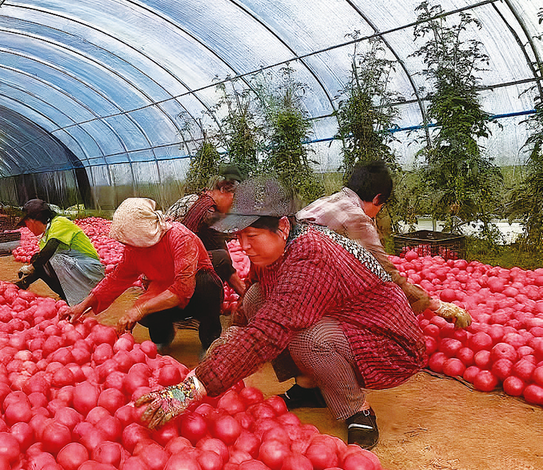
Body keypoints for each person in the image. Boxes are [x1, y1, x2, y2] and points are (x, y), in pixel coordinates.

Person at [136, 177, 425, 449]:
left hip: (385, 339)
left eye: (252, 235)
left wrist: (190, 388)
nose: (244, 246)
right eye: (239, 236)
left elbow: (269, 331)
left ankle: (357, 409)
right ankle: (310, 387)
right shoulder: (274, 250)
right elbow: (252, 295)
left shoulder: (310, 256)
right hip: (341, 318)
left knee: (307, 338)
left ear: (283, 227)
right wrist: (233, 332)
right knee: (256, 299)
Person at [296, 160, 471, 328]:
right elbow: (385, 272)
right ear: (377, 198)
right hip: (306, 297)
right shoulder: (357, 218)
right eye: (381, 205)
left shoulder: (324, 202)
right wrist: (436, 305)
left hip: (291, 282)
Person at [64, 198, 223, 352]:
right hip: (166, 293)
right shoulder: (134, 250)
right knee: (149, 316)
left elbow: (183, 289)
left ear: (140, 232)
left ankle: (210, 341)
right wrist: (82, 306)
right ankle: (163, 341)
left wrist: (140, 310)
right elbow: (115, 280)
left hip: (196, 293)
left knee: (207, 284)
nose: (124, 244)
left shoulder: (179, 237)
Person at [14, 199, 105, 306]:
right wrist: (25, 282)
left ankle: (81, 297)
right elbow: (41, 265)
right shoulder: (47, 234)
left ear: (32, 220)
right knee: (38, 259)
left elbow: (49, 251)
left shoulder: (59, 223)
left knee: (46, 259)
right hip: (78, 269)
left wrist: (31, 267)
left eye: (26, 224)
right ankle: (67, 296)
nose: (27, 228)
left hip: (90, 271)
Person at [180, 176, 247, 296]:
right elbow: (224, 261)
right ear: (223, 192)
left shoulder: (202, 202)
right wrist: (245, 294)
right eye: (233, 198)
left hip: (180, 261)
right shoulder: (210, 215)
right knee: (222, 258)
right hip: (183, 270)